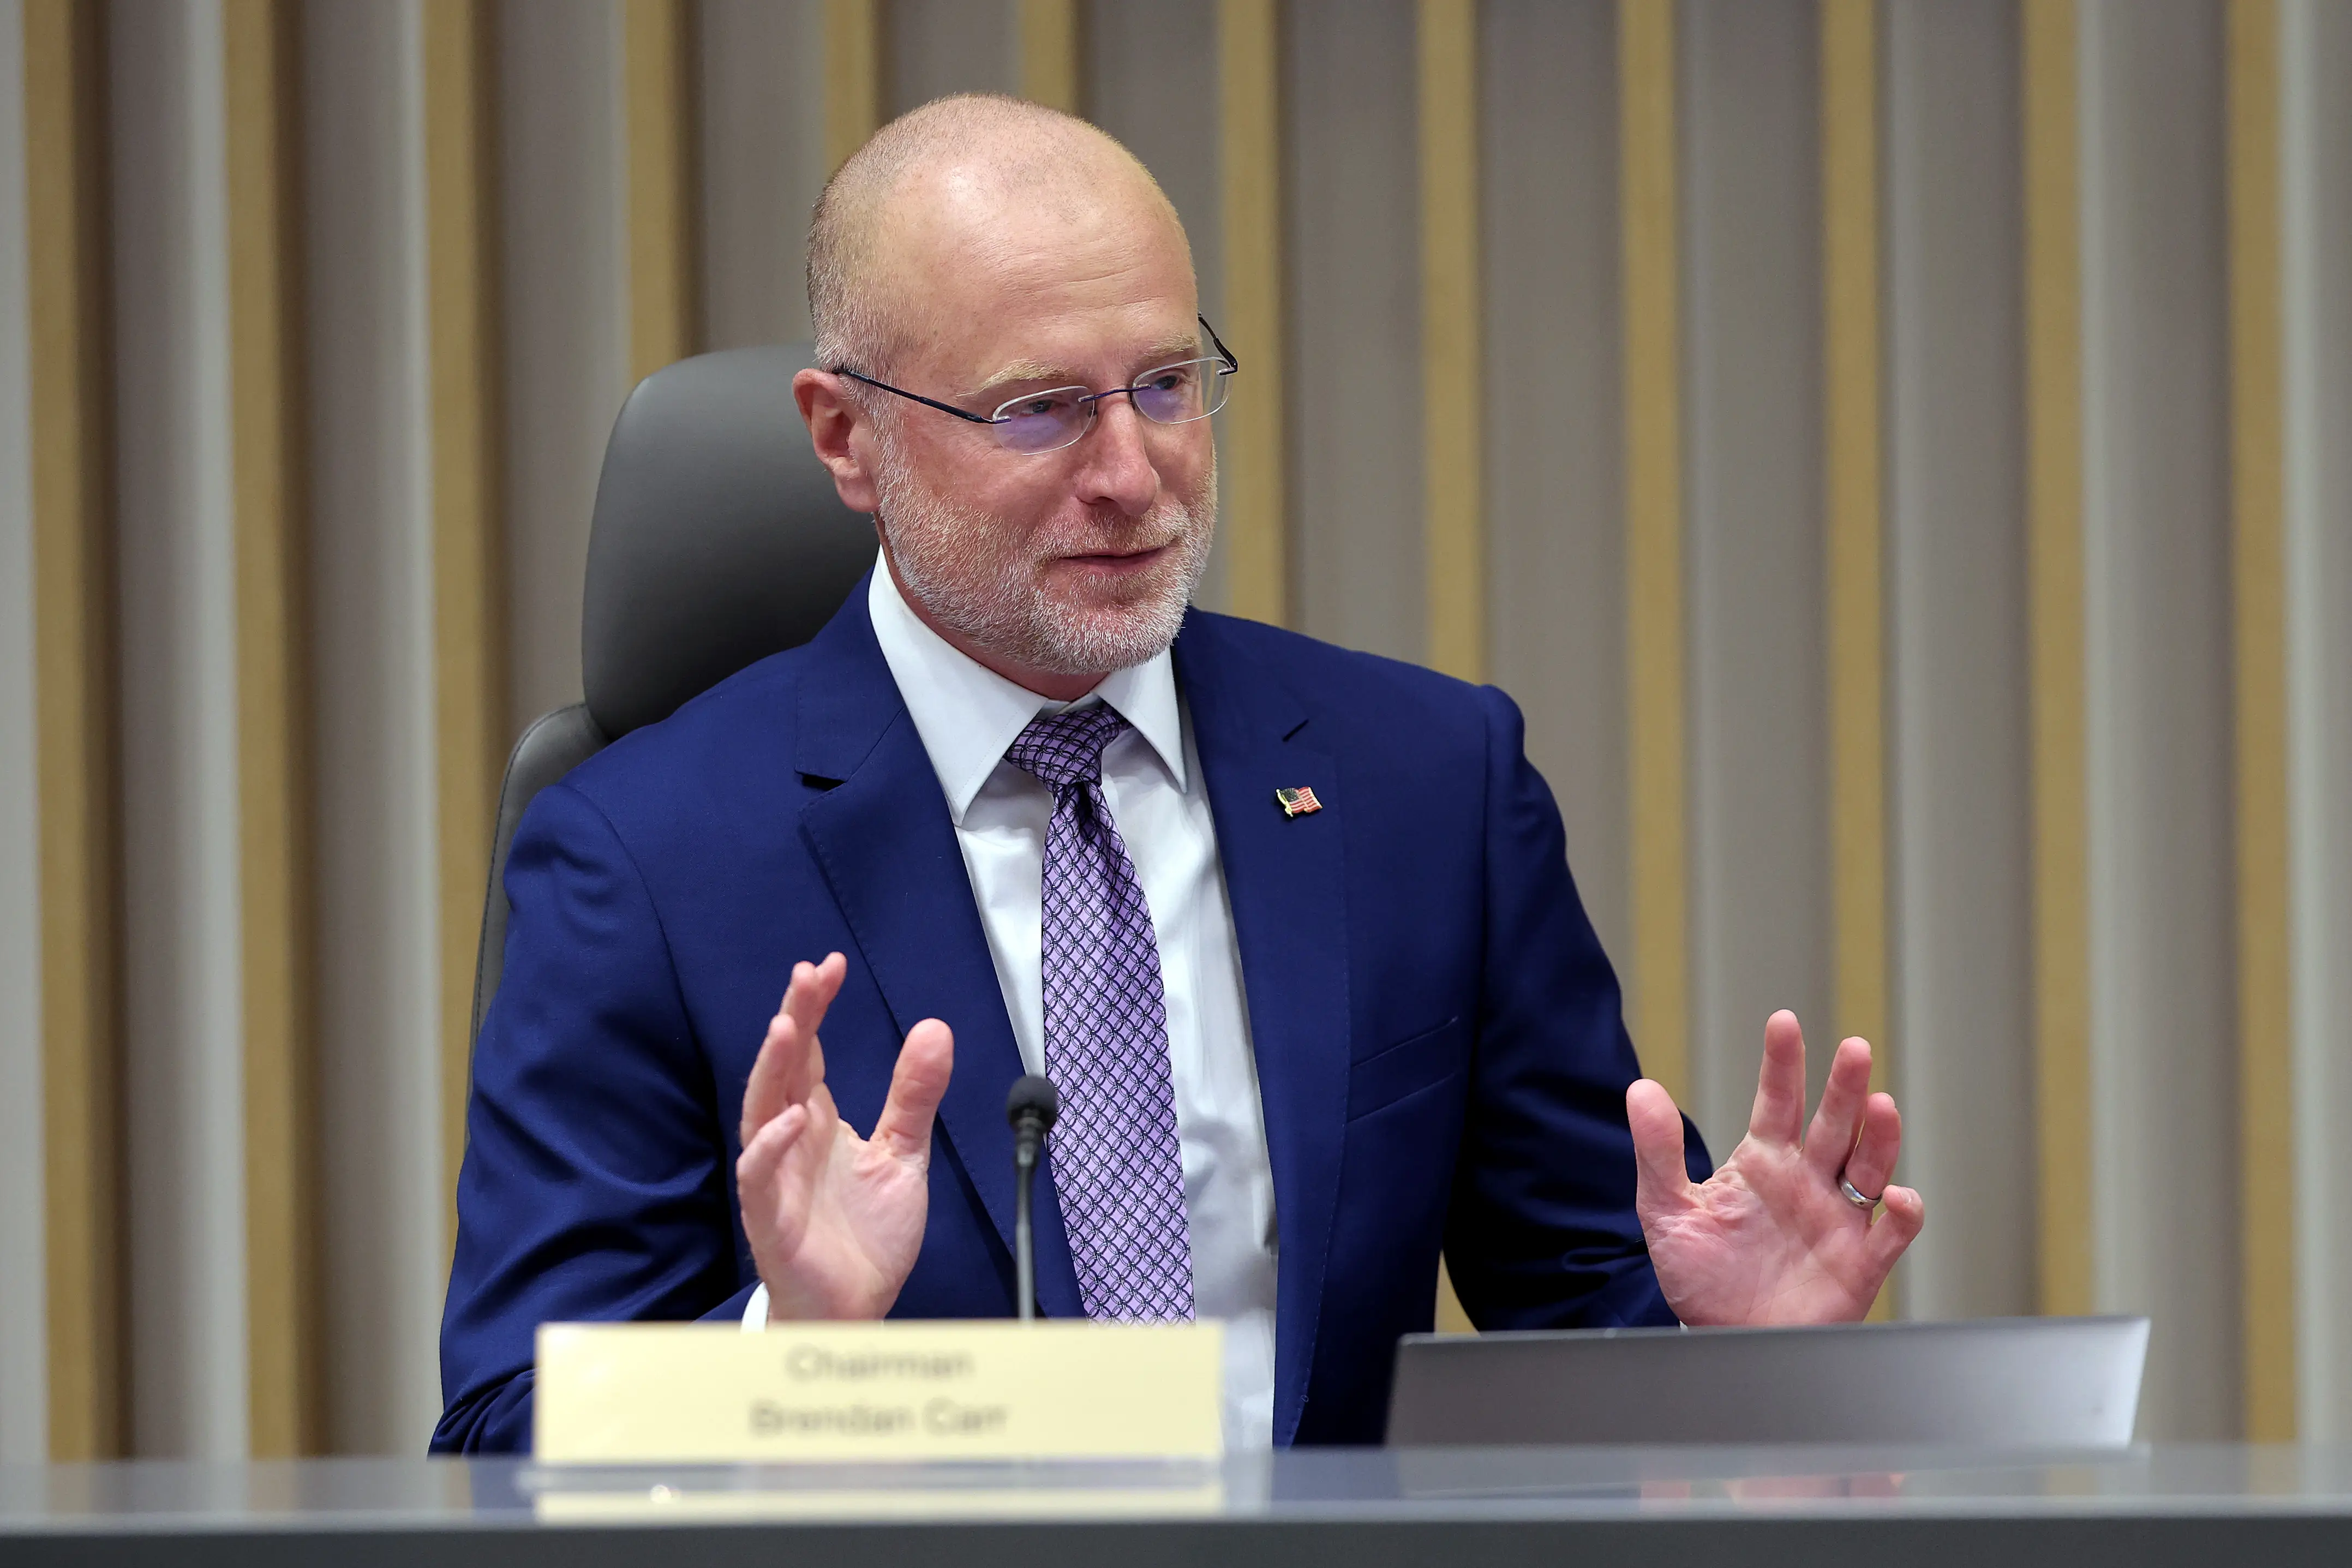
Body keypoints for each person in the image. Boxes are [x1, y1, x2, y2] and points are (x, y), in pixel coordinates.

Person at [433, 94, 1923, 1453]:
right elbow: (501, 1431)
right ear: (849, 438)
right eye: (1038, 408)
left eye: (1161, 384)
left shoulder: (1426, 783)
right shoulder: (639, 859)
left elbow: (1581, 1305)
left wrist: (1725, 1367)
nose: (1133, 472)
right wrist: (794, 1354)